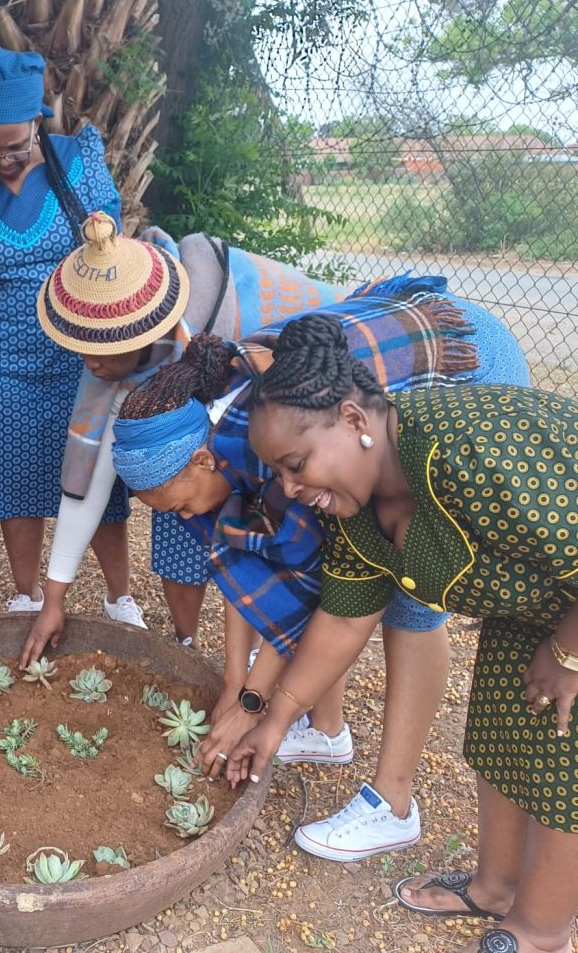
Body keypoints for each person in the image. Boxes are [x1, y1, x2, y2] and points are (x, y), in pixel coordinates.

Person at [107, 287, 530, 862]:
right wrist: (236, 686)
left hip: (462, 362)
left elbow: (316, 589)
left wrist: (255, 702)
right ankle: (327, 731)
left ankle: (393, 803)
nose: (184, 518)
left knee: (405, 592)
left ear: (204, 460)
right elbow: (252, 573)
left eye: (180, 505)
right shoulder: (227, 436)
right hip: (351, 412)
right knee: (350, 566)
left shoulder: (287, 452)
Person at [227, 313, 578, 953]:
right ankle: (495, 888)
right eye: (279, 474)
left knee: (564, 763)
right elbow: (343, 618)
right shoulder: (357, 511)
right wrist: (274, 723)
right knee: (502, 735)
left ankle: (541, 931)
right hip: (534, 609)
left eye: (296, 465)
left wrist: (567, 653)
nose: (290, 489)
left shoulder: (467, 449)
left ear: (353, 420)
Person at [22, 212, 343, 661]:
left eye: (103, 352)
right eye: (83, 350)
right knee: (177, 509)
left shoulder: (218, 349)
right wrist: (53, 600)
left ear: (142, 336)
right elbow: (89, 482)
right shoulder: (112, 371)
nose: (90, 364)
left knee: (258, 525)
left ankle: (265, 651)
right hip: (198, 463)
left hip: (298, 419)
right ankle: (187, 643)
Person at [0, 41, 137, 624]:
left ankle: (120, 598)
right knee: (16, 477)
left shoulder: (80, 165)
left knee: (96, 478)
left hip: (83, 359)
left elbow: (116, 259)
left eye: (14, 146)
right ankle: (26, 595)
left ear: (38, 121)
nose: (2, 160)